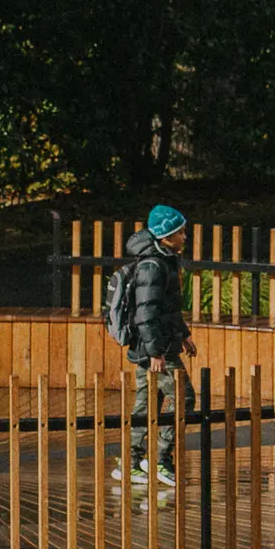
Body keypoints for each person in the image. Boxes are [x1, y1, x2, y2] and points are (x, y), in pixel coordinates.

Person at [106, 204, 194, 493]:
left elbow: (168, 307)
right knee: (185, 397)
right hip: (156, 350)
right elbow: (146, 313)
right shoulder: (152, 266)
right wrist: (156, 352)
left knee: (146, 406)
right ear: (167, 237)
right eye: (180, 231)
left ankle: (128, 463)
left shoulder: (165, 261)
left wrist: (183, 334)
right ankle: (159, 460)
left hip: (159, 345)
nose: (185, 235)